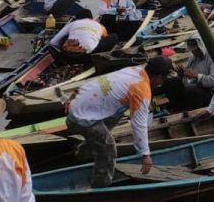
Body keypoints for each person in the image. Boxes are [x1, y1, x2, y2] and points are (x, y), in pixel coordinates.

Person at [66, 57, 170, 187]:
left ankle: (81, 156)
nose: (161, 83)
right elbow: (139, 125)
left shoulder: (134, 70)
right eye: (163, 79)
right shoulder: (142, 90)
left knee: (117, 114)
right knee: (108, 148)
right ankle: (99, 187)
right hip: (80, 119)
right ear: (160, 77)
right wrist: (145, 154)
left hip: (76, 105)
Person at [161, 36, 214, 110]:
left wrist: (196, 76)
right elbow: (187, 77)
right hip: (193, 87)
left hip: (210, 92)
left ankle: (194, 112)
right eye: (192, 50)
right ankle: (178, 109)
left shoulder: (212, 58)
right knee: (170, 83)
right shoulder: (193, 58)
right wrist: (181, 74)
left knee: (192, 91)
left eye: (196, 50)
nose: (194, 52)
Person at [48, 8, 118, 58]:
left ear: (78, 18)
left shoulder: (73, 23)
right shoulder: (100, 26)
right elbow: (105, 38)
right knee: (113, 36)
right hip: (89, 54)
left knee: (64, 37)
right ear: (91, 18)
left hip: (68, 55)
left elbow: (53, 42)